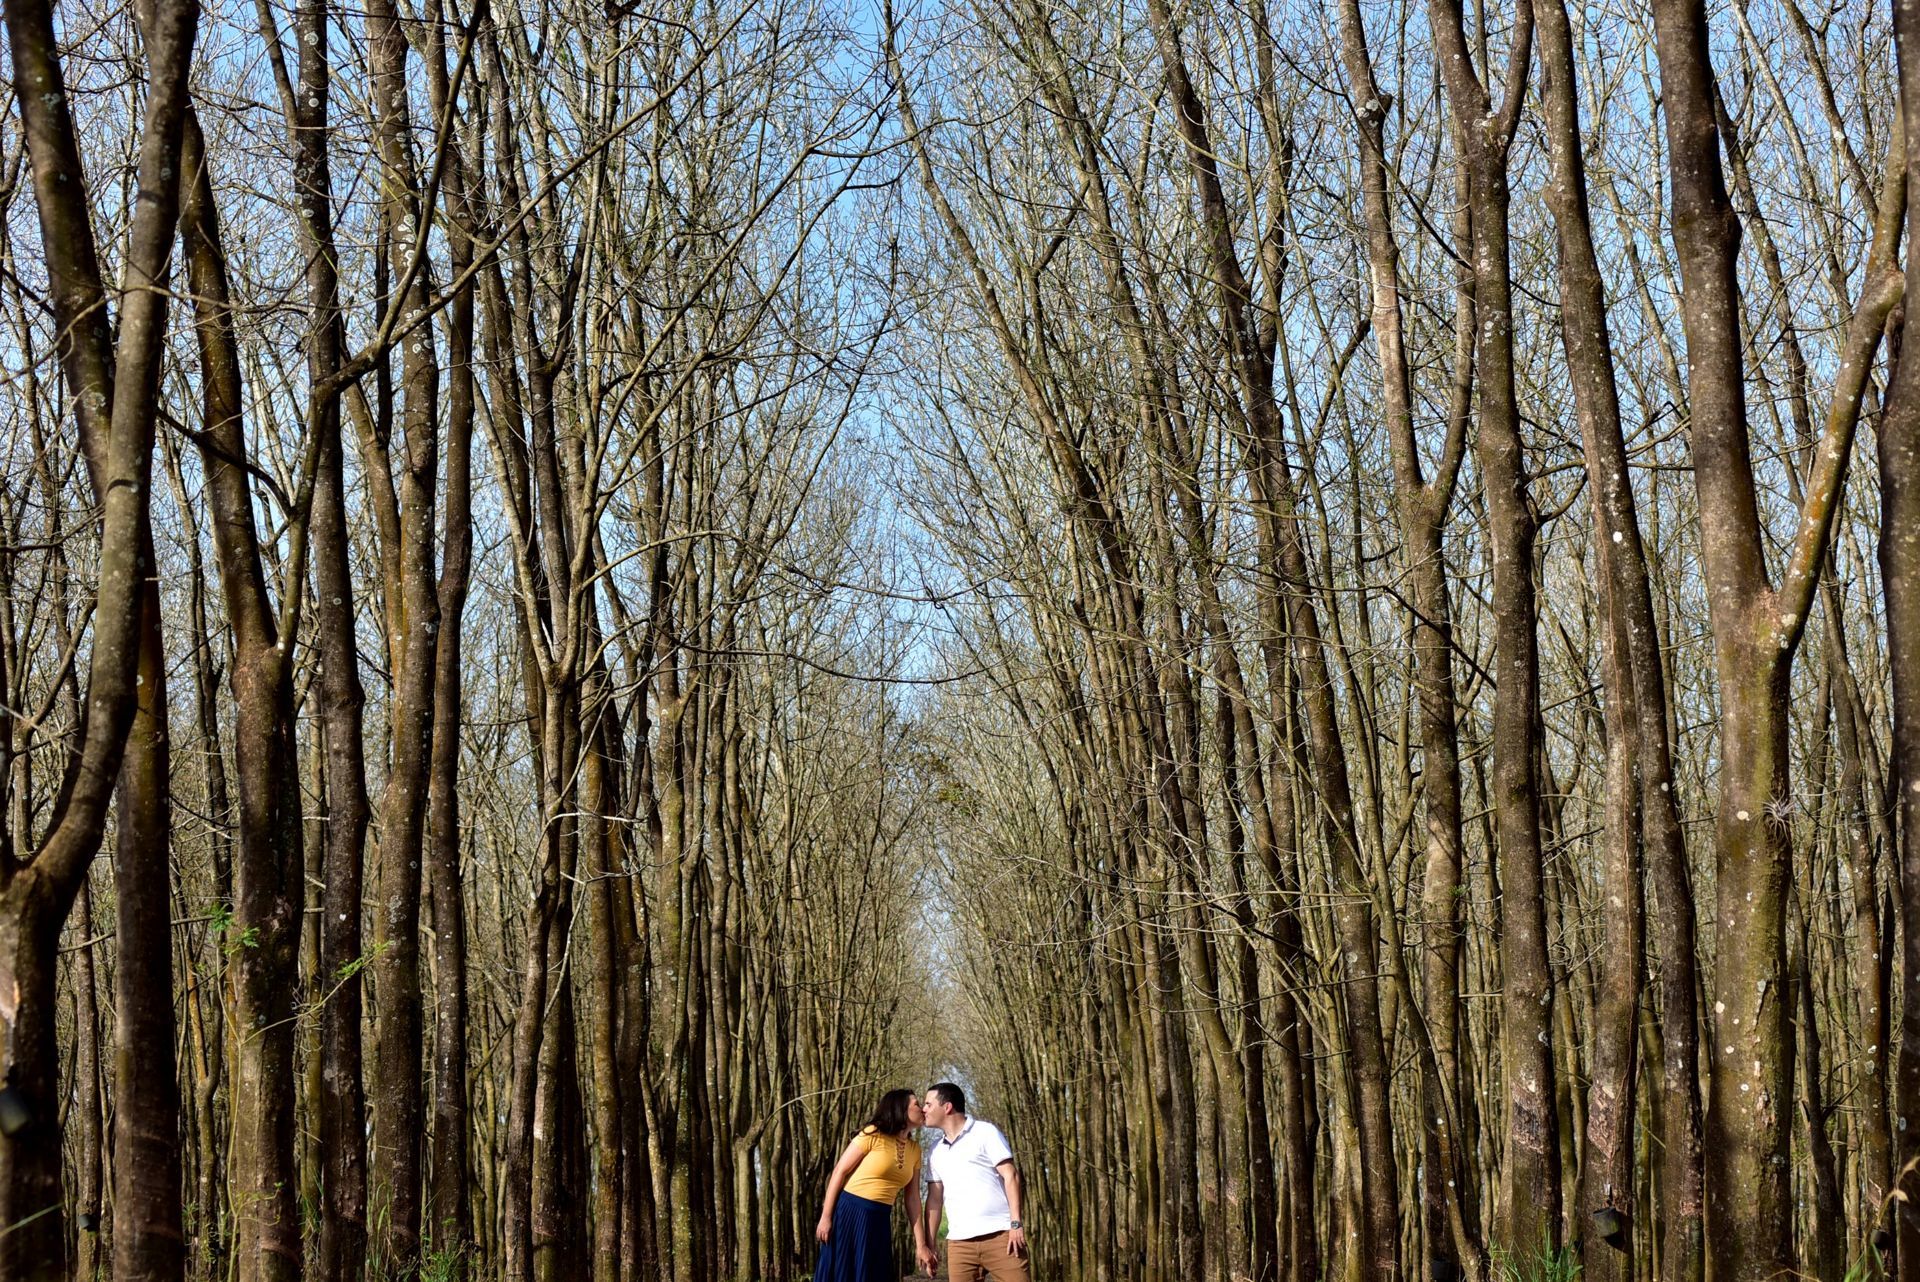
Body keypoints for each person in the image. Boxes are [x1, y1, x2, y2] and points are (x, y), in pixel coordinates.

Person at [815, 1088, 940, 1281]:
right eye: (917, 1104)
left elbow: (913, 1198)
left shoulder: (915, 1150)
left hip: (880, 1219)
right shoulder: (873, 1134)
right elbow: (840, 1171)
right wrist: (826, 1216)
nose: (923, 1109)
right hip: (850, 1212)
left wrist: (921, 1244)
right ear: (901, 1109)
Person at [922, 1082, 1029, 1281]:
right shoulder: (934, 1150)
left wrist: (1016, 1224)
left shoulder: (985, 1132)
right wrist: (929, 1245)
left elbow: (1011, 1175)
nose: (924, 1109)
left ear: (947, 1107)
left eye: (928, 1104)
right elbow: (934, 1200)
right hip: (959, 1245)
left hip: (1002, 1237)